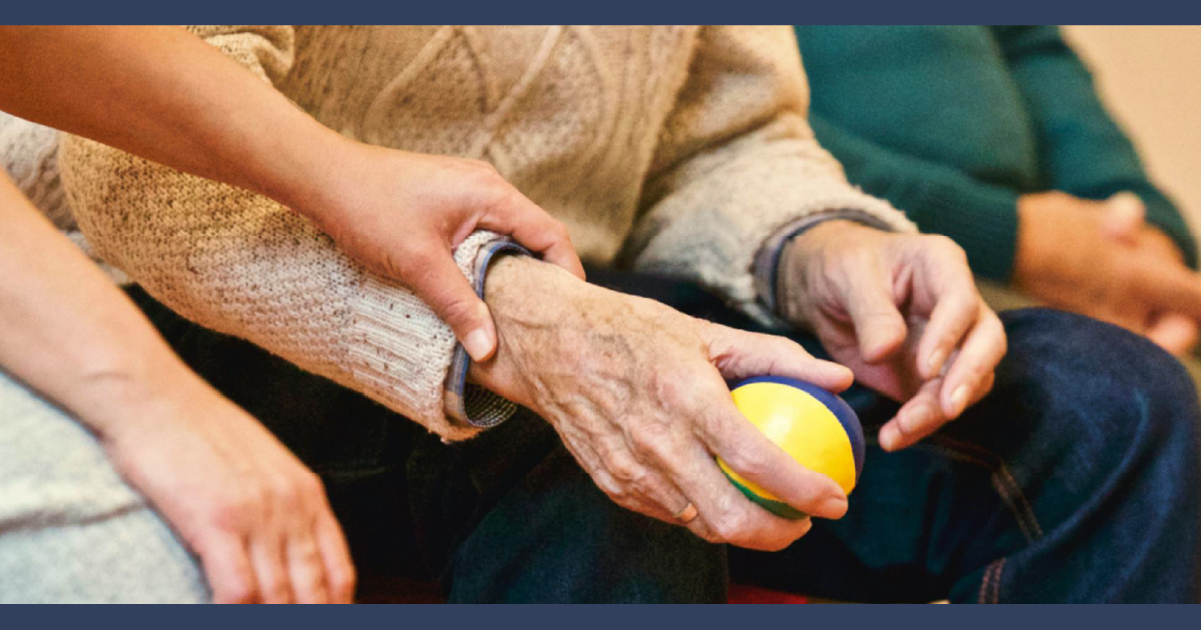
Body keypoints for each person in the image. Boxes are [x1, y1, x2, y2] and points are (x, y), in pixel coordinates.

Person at [56, 25, 1200, 603]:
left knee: (1114, 412)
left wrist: (825, 249)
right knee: (613, 453)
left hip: (590, 289)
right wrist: (526, 322)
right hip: (224, 298)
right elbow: (132, 170)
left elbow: (723, 137)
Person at [0, 25, 581, 603]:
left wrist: (342, 174)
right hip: (121, 278)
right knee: (142, 569)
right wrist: (151, 399)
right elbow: (114, 160)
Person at [793, 25, 1201, 355]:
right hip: (867, 267)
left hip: (1063, 257)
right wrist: (1011, 237)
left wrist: (1141, 225)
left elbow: (1032, 47)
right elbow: (751, 135)